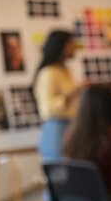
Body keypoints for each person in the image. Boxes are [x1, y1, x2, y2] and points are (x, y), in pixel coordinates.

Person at [34, 30, 87, 158]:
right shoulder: (48, 73)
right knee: (62, 172)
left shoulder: (64, 70)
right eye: (71, 44)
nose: (74, 48)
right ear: (61, 46)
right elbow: (48, 109)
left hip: (71, 127)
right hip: (57, 130)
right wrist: (74, 92)